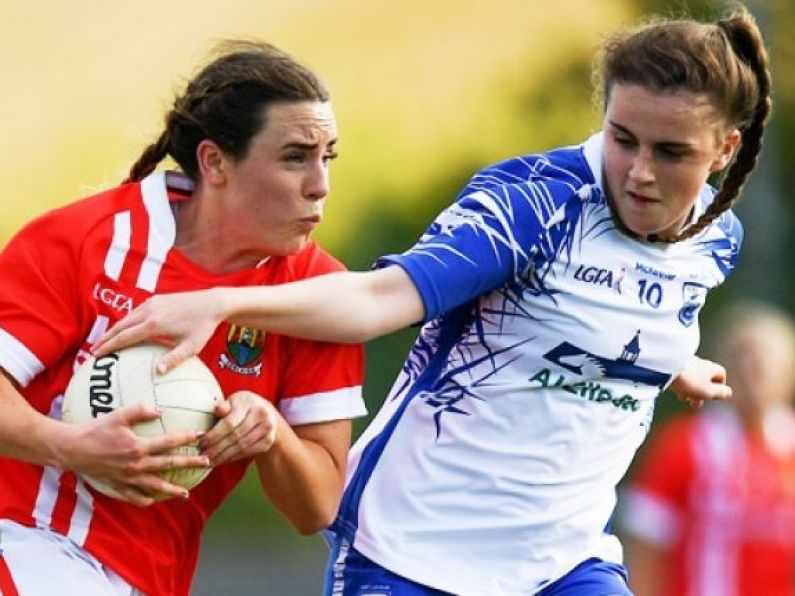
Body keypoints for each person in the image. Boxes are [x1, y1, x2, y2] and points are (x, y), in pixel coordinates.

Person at [94, 5, 772, 595]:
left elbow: (624, 310)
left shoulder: (716, 240)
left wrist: (668, 362)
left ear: (722, 152)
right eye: (622, 139)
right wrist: (220, 304)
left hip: (562, 564)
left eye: (671, 152)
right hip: (412, 554)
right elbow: (374, 301)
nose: (640, 171)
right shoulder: (532, 204)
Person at [0, 41, 365, 595]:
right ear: (214, 161)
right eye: (295, 156)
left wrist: (271, 433)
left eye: (327, 157)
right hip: (19, 537)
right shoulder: (87, 239)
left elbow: (315, 506)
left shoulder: (320, 298)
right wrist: (71, 446)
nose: (320, 184)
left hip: (143, 576)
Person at [621, 303, 795, 596]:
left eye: (767, 361)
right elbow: (646, 545)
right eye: (744, 359)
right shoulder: (684, 444)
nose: (755, 372)